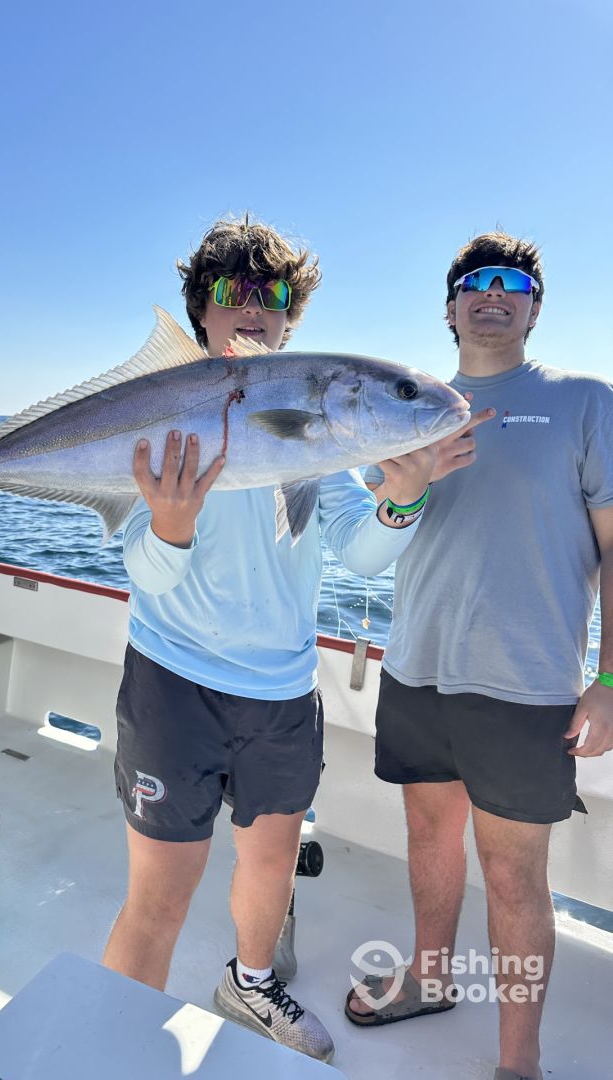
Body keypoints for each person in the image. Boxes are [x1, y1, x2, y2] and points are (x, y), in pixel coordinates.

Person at [101, 216, 447, 1062]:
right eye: (234, 292)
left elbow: (359, 553)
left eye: (274, 295)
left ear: (291, 320)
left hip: (282, 692)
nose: (255, 307)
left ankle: (250, 986)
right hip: (173, 681)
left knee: (270, 865)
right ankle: (105, 1044)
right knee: (161, 892)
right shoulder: (167, 411)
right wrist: (171, 526)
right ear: (202, 311)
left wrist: (404, 500)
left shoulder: (322, 439)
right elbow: (145, 572)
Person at [347, 232, 613, 1080]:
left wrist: (609, 678)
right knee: (429, 836)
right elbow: (375, 534)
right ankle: (429, 979)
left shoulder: (586, 402)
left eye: (514, 282)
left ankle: (517, 1061)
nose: (494, 292)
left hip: (526, 686)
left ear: (534, 308)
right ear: (450, 306)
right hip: (416, 668)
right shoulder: (401, 406)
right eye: (476, 280)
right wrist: (409, 484)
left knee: (512, 874)